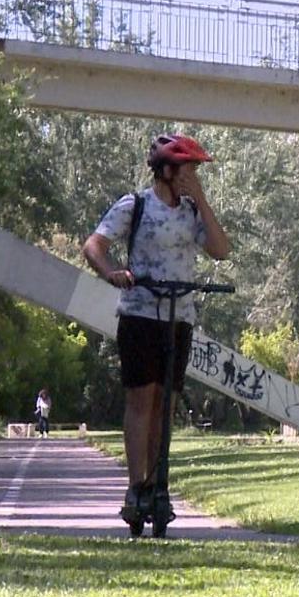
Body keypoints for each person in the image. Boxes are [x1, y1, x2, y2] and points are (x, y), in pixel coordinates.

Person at [82, 133, 230, 530]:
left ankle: (157, 482)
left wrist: (201, 197)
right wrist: (111, 273)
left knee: (165, 401)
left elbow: (220, 249)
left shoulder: (191, 211)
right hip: (139, 312)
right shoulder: (137, 204)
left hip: (178, 317)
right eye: (189, 170)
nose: (192, 177)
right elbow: (94, 245)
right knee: (141, 400)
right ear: (166, 171)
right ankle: (136, 486)